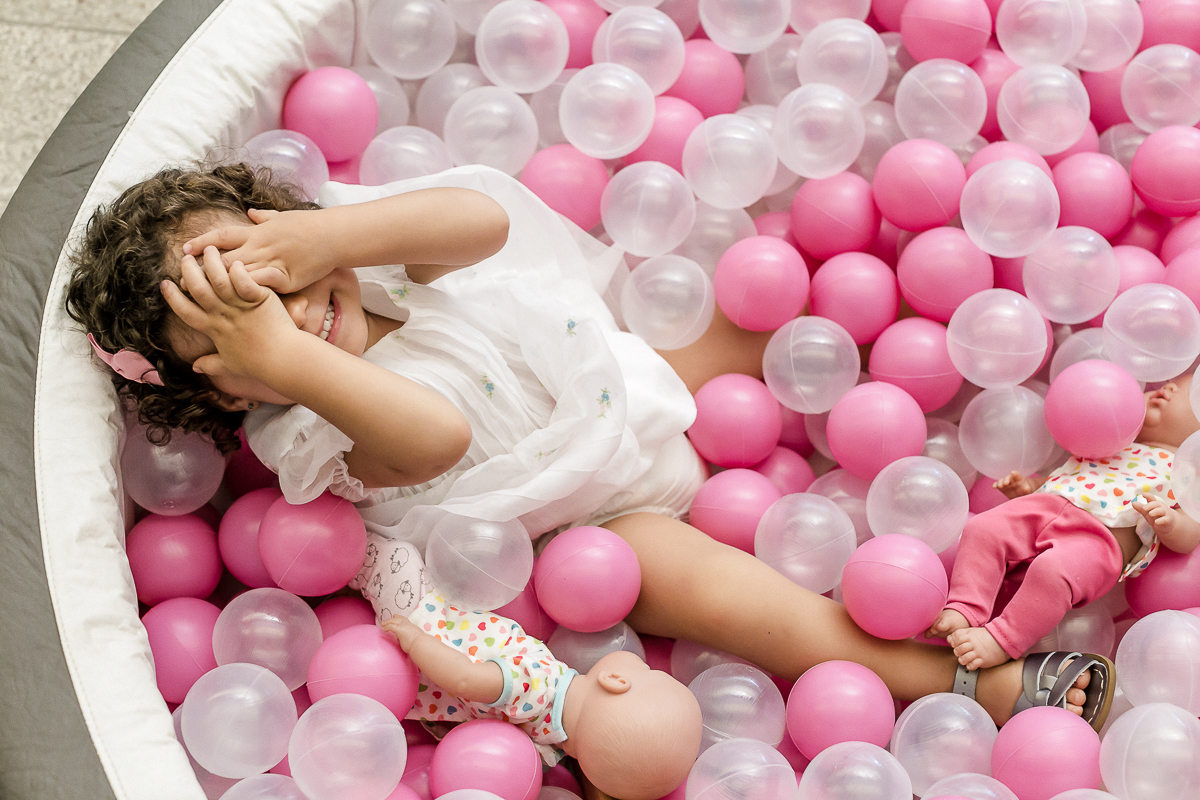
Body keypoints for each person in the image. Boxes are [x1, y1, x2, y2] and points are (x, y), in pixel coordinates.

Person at [65, 162, 1113, 757]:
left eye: (268, 272)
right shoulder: (304, 427)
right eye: (244, 336)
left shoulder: (365, 258)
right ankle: (986, 684)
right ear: (225, 394)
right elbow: (437, 435)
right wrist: (287, 358)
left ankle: (1044, 370)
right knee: (725, 592)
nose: (287, 312)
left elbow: (477, 217)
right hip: (589, 526)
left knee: (794, 323)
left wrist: (328, 235)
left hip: (632, 382)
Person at [927, 377, 1200, 670]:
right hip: (1046, 506)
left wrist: (1170, 523)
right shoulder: (1114, 438)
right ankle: (966, 606)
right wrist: (1030, 488)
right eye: (1172, 382)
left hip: (1098, 541)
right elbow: (1070, 476)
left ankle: (1003, 639)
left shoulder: (1189, 473)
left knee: (1053, 573)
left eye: (1188, 392)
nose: (1169, 387)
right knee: (982, 529)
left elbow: (1191, 534)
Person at [381, 589, 701, 800]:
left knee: (392, 555)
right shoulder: (544, 749)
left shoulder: (539, 684)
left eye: (649, 671)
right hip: (412, 693)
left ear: (616, 680)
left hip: (423, 622)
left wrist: (415, 640)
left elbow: (467, 678)